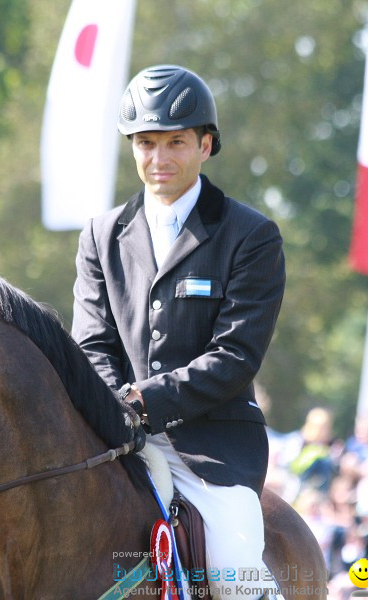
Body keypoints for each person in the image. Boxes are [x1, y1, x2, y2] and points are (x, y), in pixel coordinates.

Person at [72, 64, 285, 600]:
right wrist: (109, 406)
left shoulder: (251, 235)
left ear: (206, 145)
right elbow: (92, 343)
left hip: (209, 445)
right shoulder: (101, 235)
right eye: (146, 143)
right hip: (111, 433)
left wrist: (141, 399)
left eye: (175, 143)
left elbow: (236, 355)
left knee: (236, 568)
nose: (159, 159)